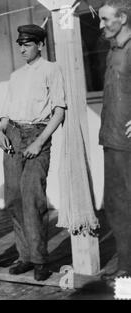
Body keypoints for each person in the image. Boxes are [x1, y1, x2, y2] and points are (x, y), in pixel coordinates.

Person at [0, 25, 66, 281]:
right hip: (13, 135)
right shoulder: (16, 76)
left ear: (40, 44)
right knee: (14, 198)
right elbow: (6, 110)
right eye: (20, 44)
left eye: (27, 44)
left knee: (33, 198)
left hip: (37, 134)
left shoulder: (52, 70)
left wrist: (39, 142)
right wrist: (1, 130)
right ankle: (24, 257)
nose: (22, 48)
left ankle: (39, 260)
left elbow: (59, 111)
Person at [98, 0, 131, 282]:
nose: (101, 25)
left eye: (106, 19)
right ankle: (126, 267)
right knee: (115, 203)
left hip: (128, 143)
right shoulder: (112, 52)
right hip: (112, 138)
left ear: (122, 17)